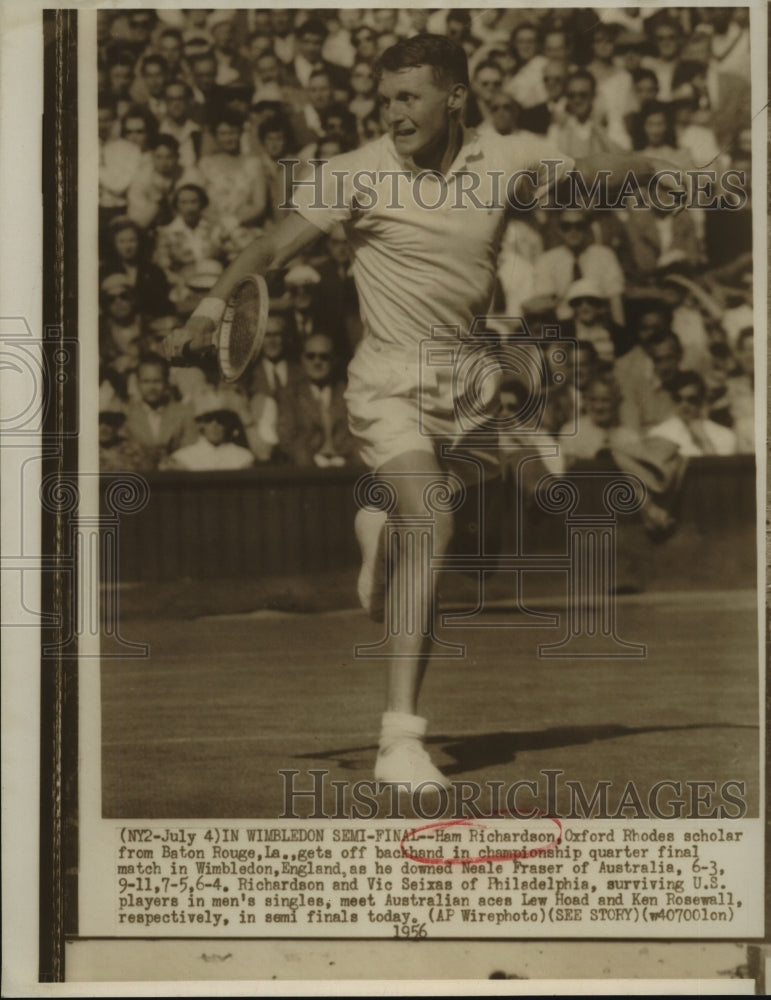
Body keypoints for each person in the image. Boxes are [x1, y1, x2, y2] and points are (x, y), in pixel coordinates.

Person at [166, 33, 684, 791]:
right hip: (388, 387)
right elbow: (269, 248)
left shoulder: (505, 158)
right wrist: (211, 304)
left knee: (497, 509)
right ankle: (398, 739)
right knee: (431, 515)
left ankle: (380, 543)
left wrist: (654, 168)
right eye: (385, 100)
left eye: (408, 97)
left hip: (470, 387)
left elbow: (585, 176)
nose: (393, 113)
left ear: (454, 98)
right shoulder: (352, 174)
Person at [646, 371, 737, 456]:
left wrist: (704, 440)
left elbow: (721, 471)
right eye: (678, 399)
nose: (684, 405)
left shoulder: (725, 435)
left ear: (701, 401)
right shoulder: (659, 434)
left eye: (691, 400)